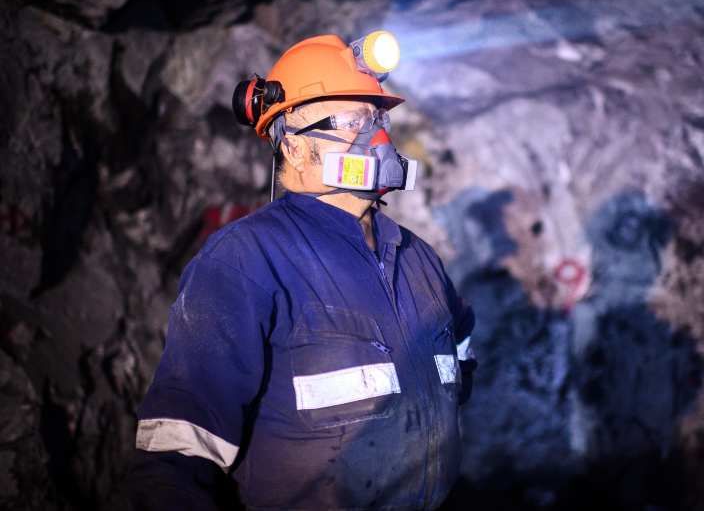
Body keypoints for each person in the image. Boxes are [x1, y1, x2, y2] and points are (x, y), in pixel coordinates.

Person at [127, 32, 476, 510]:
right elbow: (179, 455)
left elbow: (458, 373)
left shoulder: (419, 259)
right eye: (353, 120)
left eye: (377, 117)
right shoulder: (245, 261)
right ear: (292, 148)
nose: (375, 136)